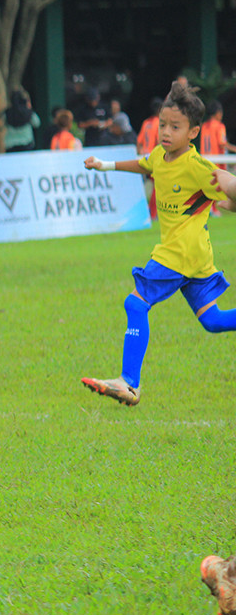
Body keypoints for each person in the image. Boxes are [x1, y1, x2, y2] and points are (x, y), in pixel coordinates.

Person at [80, 81, 236, 406]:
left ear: (193, 132)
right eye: (163, 124)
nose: (165, 131)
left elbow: (228, 187)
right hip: (197, 258)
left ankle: (129, 383)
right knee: (213, 320)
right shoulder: (161, 156)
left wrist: (230, 187)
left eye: (175, 127)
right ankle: (128, 382)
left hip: (178, 254)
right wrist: (104, 166)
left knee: (135, 304)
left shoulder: (196, 166)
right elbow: (145, 164)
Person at [137, 97, 162, 219]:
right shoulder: (159, 123)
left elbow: (140, 142)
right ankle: (152, 213)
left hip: (144, 157)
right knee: (158, 186)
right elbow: (159, 142)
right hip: (153, 158)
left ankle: (149, 211)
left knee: (151, 186)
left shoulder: (146, 123)